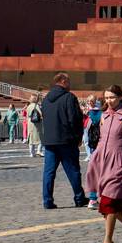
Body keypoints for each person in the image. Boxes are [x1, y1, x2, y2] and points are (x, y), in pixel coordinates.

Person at [85, 85, 122, 243]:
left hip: (119, 164)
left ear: (120, 97)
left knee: (108, 202)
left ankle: (108, 241)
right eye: (106, 98)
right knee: (114, 205)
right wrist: (94, 159)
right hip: (103, 162)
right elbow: (101, 140)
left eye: (112, 97)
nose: (109, 101)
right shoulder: (104, 116)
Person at [39, 73, 88, 209]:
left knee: (49, 172)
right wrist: (78, 137)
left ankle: (47, 201)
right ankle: (79, 198)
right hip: (66, 141)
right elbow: (75, 119)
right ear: (63, 81)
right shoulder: (69, 97)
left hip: (50, 141)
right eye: (69, 81)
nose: (70, 84)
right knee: (73, 170)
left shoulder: (46, 99)